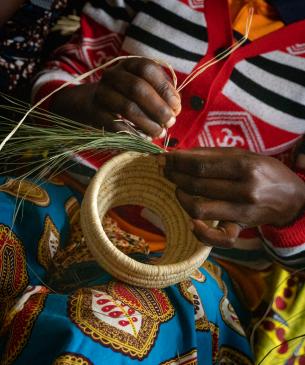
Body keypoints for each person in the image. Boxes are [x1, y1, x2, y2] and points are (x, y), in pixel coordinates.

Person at [1, 0, 305, 364]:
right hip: (61, 196)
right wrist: (88, 100)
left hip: (205, 271)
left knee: (96, 336)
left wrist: (293, 205)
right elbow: (63, 74)